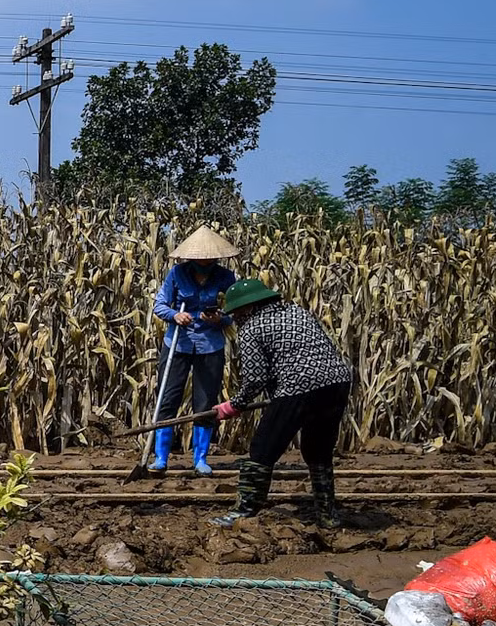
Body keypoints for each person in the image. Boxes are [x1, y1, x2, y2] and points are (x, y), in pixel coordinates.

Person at [209, 277, 354, 529]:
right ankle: (328, 515)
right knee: (318, 451)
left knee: (263, 449)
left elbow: (255, 379)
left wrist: (234, 406)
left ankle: (243, 511)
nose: (237, 318)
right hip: (337, 383)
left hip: (297, 386)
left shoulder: (252, 328)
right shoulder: (298, 312)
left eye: (238, 313)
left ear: (248, 308)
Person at [150, 225, 240, 475]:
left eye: (209, 257)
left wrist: (219, 319)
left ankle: (200, 458)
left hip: (210, 345)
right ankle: (161, 457)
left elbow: (232, 313)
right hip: (178, 343)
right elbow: (159, 305)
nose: (205, 260)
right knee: (168, 398)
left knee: (205, 402)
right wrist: (175, 316)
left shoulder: (225, 277)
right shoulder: (177, 274)